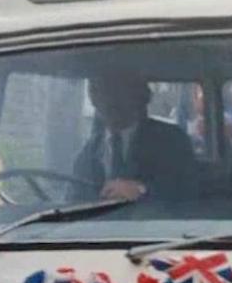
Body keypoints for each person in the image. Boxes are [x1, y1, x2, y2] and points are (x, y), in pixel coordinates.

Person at [73, 72, 199, 203]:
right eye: (97, 91)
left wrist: (142, 190)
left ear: (140, 95)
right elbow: (73, 202)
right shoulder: (88, 154)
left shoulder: (172, 141)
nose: (108, 100)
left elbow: (188, 192)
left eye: (117, 90)